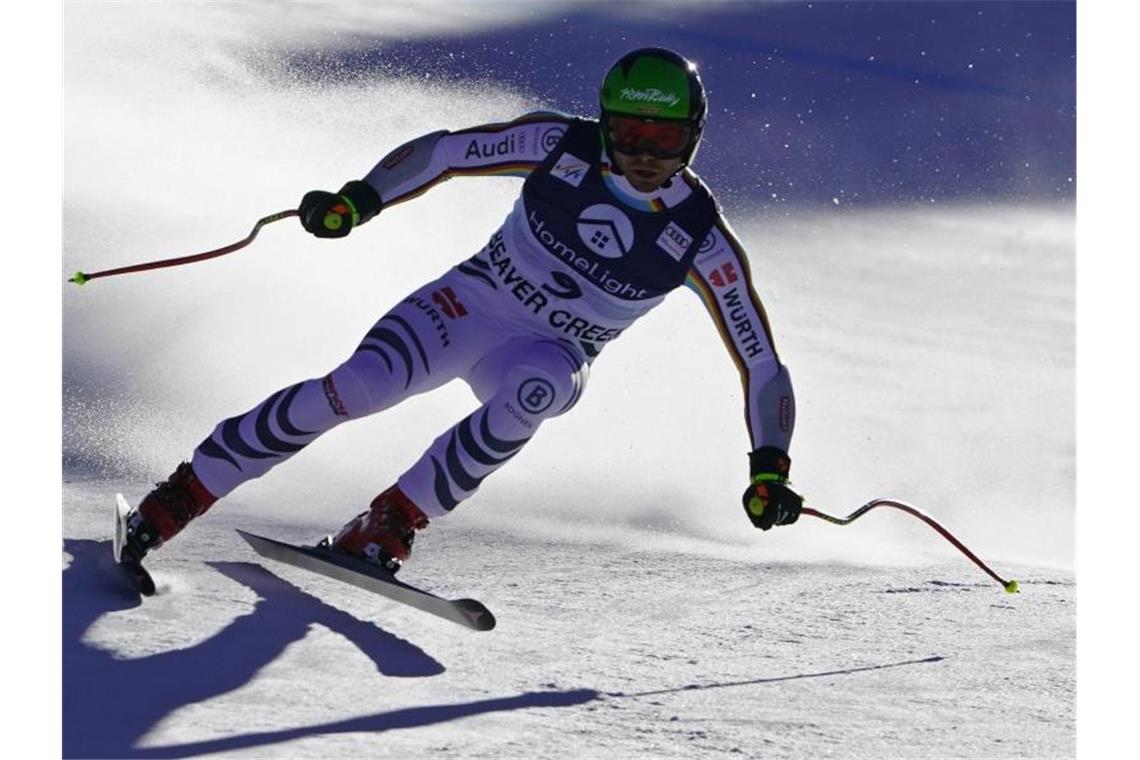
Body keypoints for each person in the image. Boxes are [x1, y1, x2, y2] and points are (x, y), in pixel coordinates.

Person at [121, 47, 803, 573]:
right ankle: (182, 495)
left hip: (548, 354)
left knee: (538, 391)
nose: (644, 154)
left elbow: (760, 362)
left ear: (695, 136)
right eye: (629, 132)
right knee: (359, 388)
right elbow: (446, 153)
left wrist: (770, 465)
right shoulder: (558, 144)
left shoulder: (703, 239)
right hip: (468, 304)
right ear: (605, 122)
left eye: (664, 139)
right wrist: (359, 200)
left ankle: (392, 521)